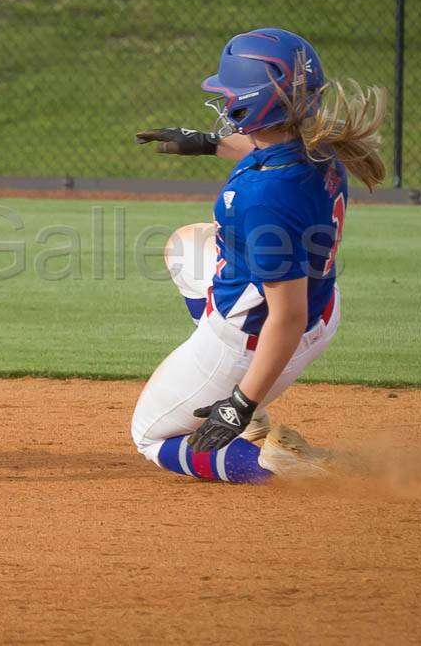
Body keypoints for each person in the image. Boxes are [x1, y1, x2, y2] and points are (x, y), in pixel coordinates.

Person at [130, 28, 385, 482]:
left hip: (262, 335)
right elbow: (264, 144)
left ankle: (273, 467)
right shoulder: (317, 146)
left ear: (253, 102)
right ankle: (239, 396)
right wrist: (207, 143)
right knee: (186, 246)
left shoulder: (264, 196)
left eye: (228, 93)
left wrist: (239, 404)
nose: (223, 100)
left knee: (149, 436)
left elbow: (285, 317)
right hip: (320, 307)